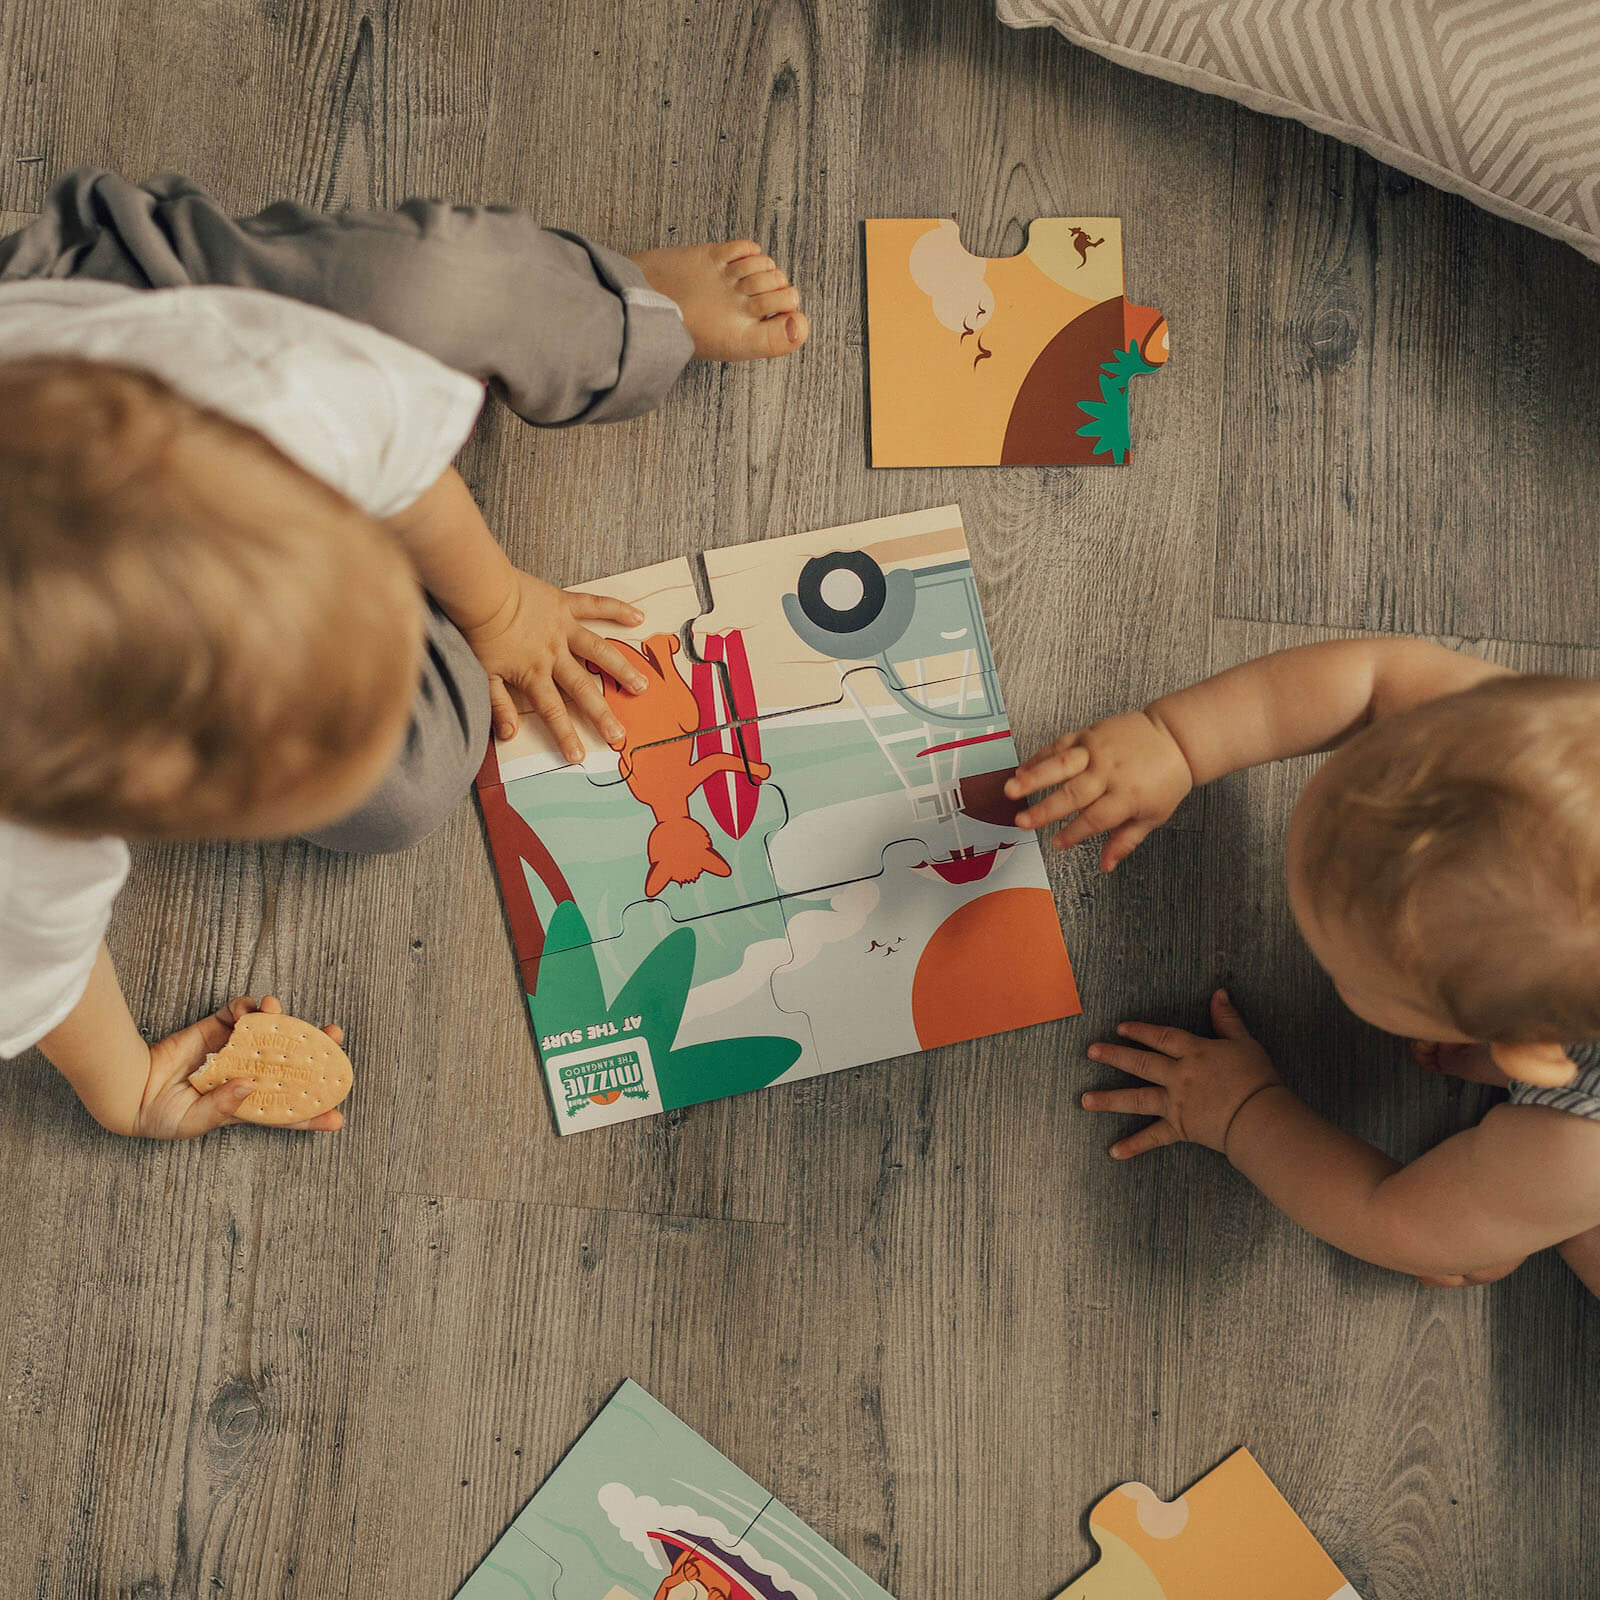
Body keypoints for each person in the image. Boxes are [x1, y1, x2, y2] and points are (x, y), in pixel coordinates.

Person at [0, 167, 808, 1138]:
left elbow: (399, 461)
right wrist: (126, 1086)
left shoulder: (253, 381)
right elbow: (34, 965)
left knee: (434, 286)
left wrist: (502, 606)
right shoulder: (22, 839)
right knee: (401, 788)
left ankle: (623, 305)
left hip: (127, 302)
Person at [1008, 639, 1600, 1296]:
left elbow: (1389, 1219)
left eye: (1351, 979)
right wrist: (1180, 740)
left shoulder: (1577, 1153)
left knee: (1490, 1243)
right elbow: (1378, 680)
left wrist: (1243, 1113)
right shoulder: (1533, 755)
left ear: (1535, 1053)